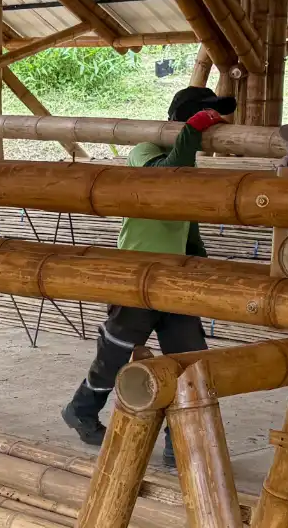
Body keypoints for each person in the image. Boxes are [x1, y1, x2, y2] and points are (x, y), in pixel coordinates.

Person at [61, 84, 236, 464]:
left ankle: (180, 441)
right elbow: (164, 178)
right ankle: (82, 409)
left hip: (175, 277)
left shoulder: (188, 164)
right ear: (182, 122)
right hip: (138, 271)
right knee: (116, 353)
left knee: (190, 361)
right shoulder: (143, 151)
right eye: (203, 126)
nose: (207, 137)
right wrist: (191, 131)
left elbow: (186, 223)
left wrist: (199, 259)